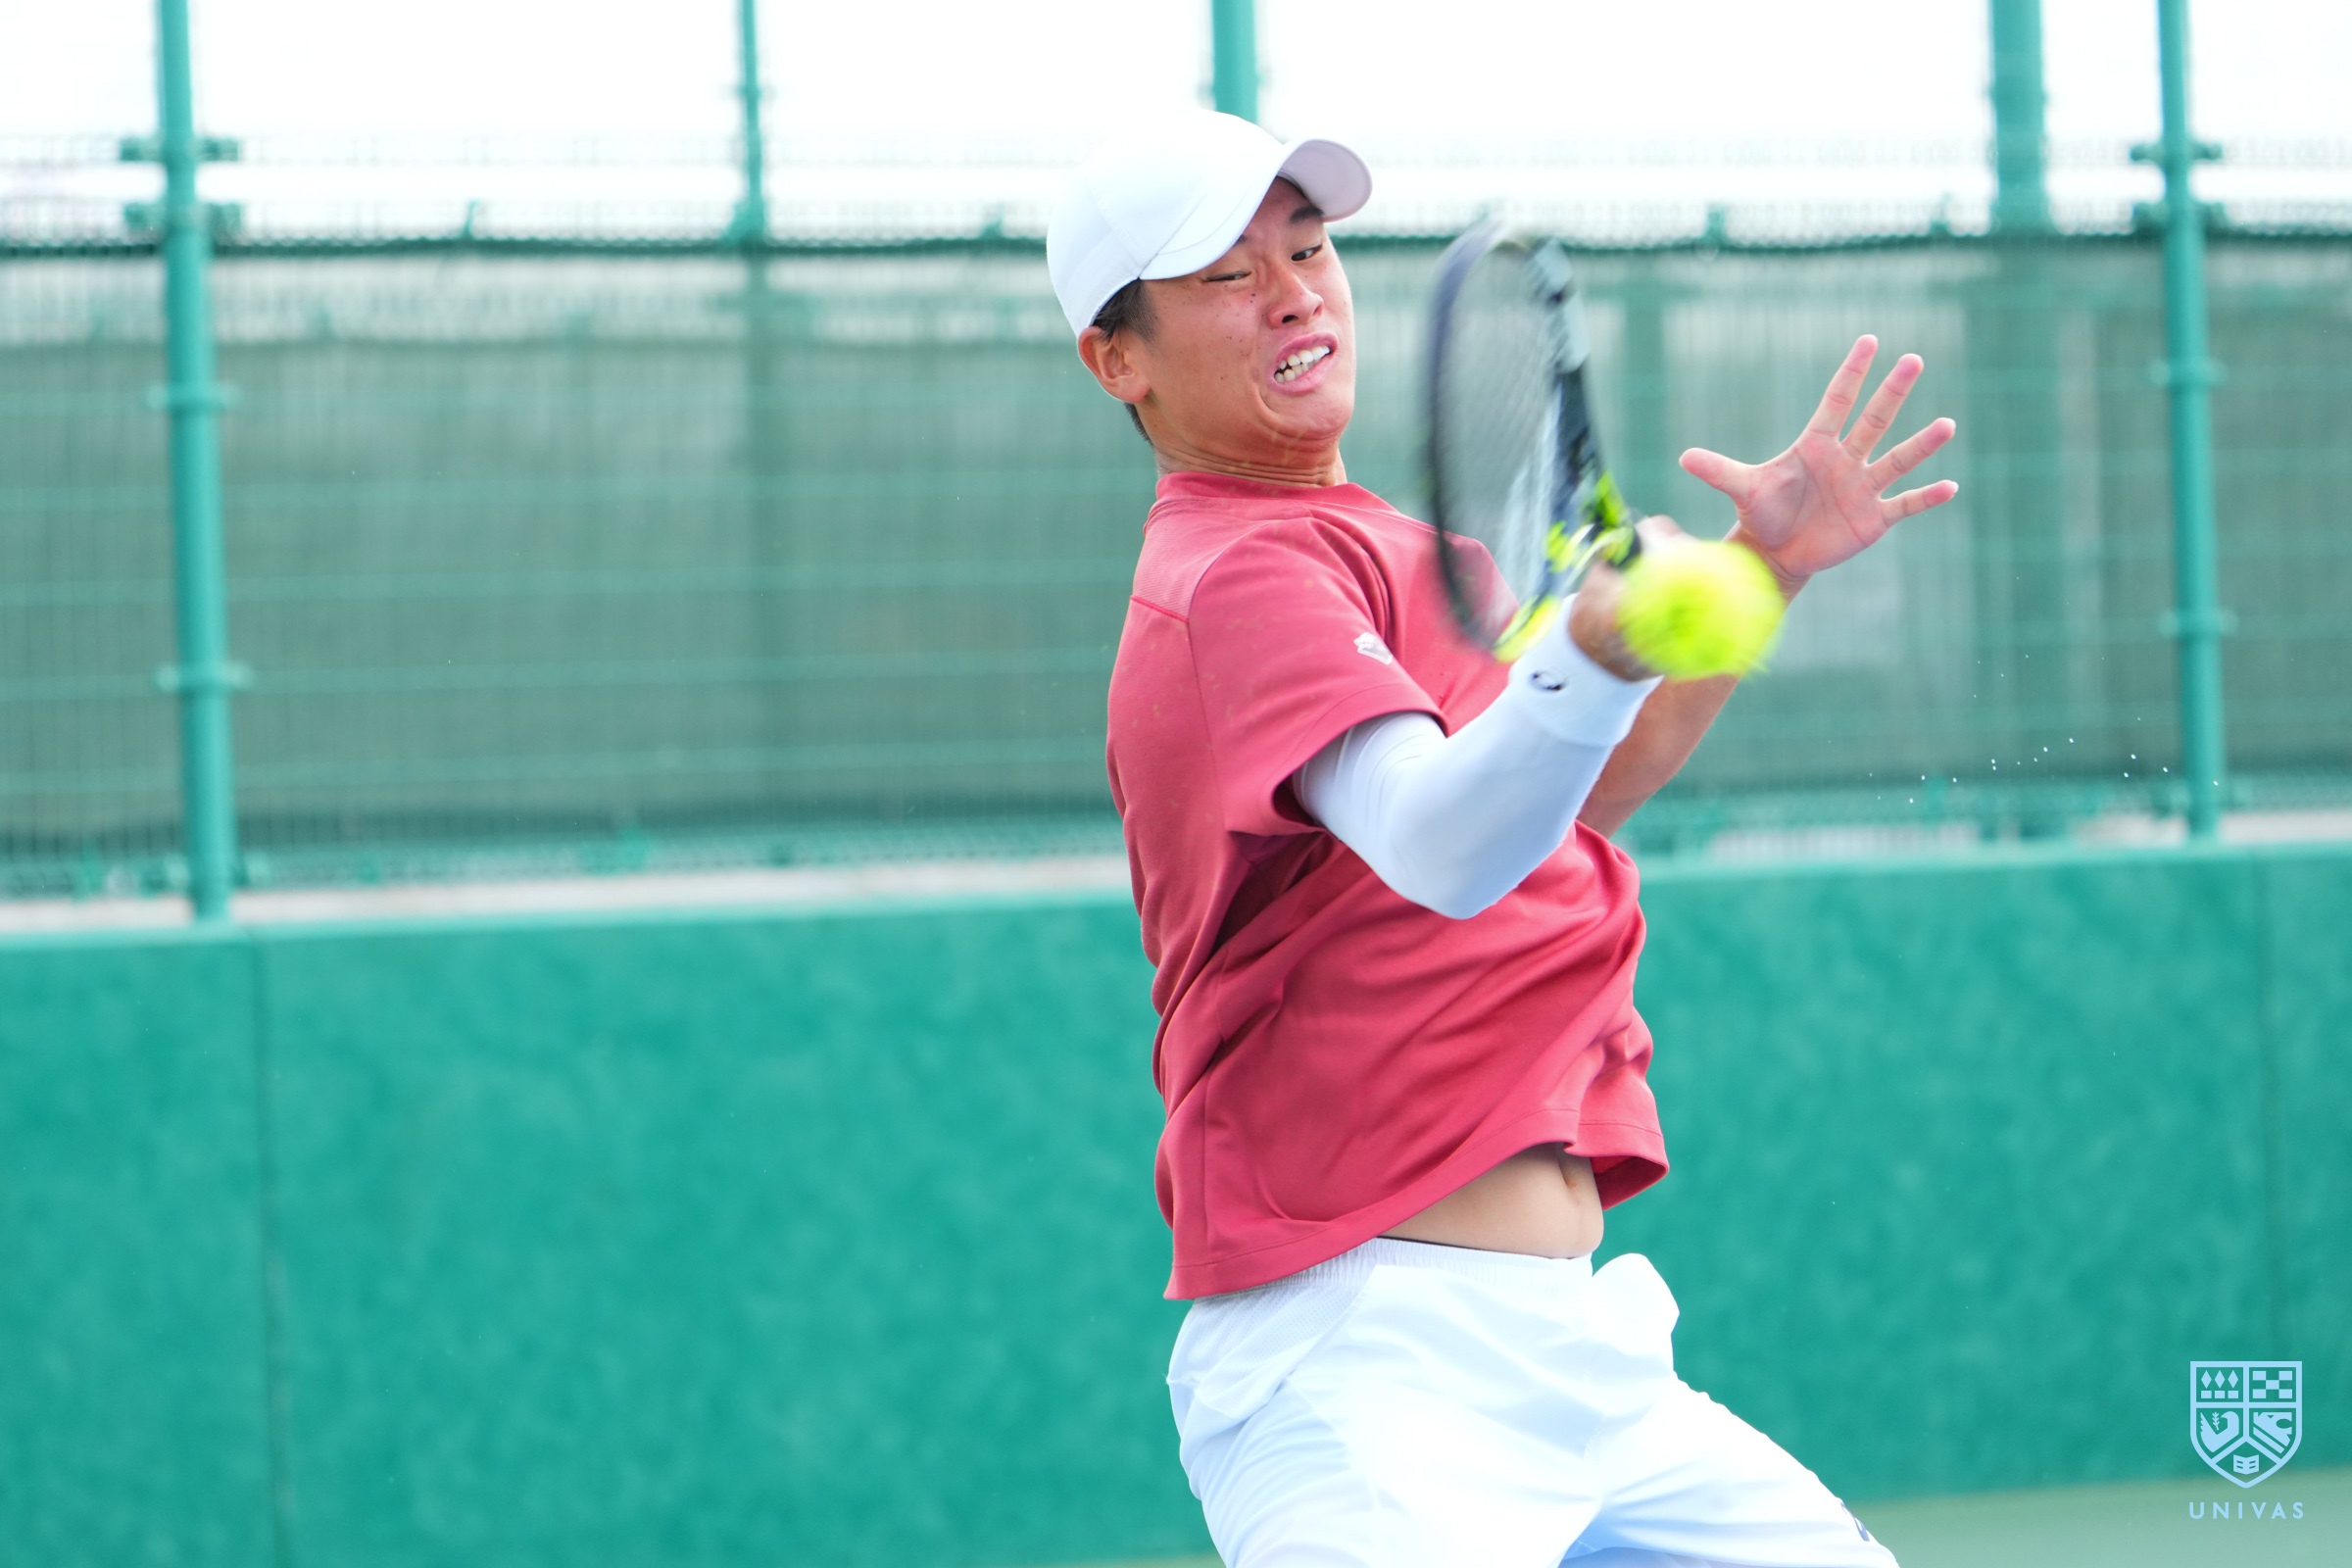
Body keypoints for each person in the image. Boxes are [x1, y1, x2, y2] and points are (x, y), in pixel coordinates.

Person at [1048, 112, 1957, 1568]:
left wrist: (1764, 569)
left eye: (1308, 251)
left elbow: (1556, 806)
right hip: (1369, 1372)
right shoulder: (1232, 578)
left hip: (1578, 1356)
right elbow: (1443, 843)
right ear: (1119, 360)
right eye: (1224, 275)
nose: (1292, 294)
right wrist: (1589, 654)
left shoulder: (1420, 561)